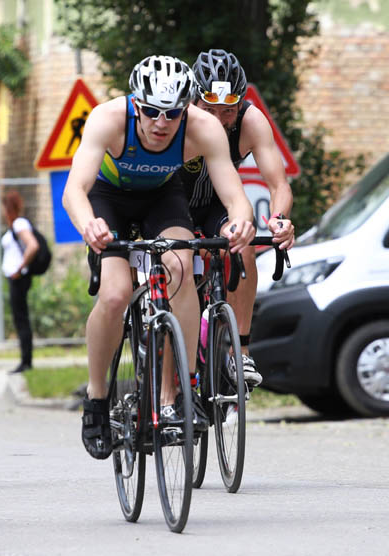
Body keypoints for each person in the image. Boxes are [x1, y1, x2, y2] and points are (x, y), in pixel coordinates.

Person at [61, 55, 256, 459]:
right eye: (150, 111)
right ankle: (97, 401)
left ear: (186, 107)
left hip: (161, 198)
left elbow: (234, 195)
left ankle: (181, 392)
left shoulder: (202, 127)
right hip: (108, 199)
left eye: (171, 112)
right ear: (135, 104)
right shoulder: (108, 119)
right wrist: (89, 226)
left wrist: (240, 223)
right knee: (114, 294)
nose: (161, 122)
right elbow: (74, 191)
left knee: (182, 266)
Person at [177, 48, 297, 386]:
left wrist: (278, 219)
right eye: (209, 109)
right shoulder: (178, 119)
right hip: (175, 204)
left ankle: (240, 354)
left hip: (218, 203)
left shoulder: (250, 120)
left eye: (228, 110)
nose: (218, 119)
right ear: (194, 101)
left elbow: (278, 184)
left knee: (243, 244)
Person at [0, 190, 39, 374]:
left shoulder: (19, 224)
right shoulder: (16, 225)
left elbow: (33, 245)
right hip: (17, 278)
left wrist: (19, 268)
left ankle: (26, 362)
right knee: (20, 318)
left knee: (21, 319)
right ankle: (25, 360)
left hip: (19, 278)